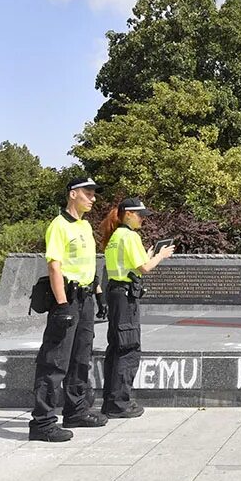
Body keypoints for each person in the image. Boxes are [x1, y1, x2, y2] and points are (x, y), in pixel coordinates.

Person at [29, 177, 107, 442]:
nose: (93, 198)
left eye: (94, 193)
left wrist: (99, 294)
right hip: (68, 298)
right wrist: (62, 305)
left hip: (86, 298)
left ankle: (76, 411)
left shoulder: (85, 226)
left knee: (80, 357)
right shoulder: (59, 226)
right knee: (55, 361)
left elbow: (89, 265)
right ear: (73, 194)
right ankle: (42, 422)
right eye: (88, 193)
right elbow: (55, 266)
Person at [100, 197, 175, 418]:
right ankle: (119, 404)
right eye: (141, 215)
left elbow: (132, 263)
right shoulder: (130, 236)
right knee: (128, 348)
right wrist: (161, 256)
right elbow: (144, 268)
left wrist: (149, 254)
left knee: (115, 347)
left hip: (114, 292)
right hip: (125, 296)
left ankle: (111, 400)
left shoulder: (115, 236)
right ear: (128, 214)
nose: (143, 219)